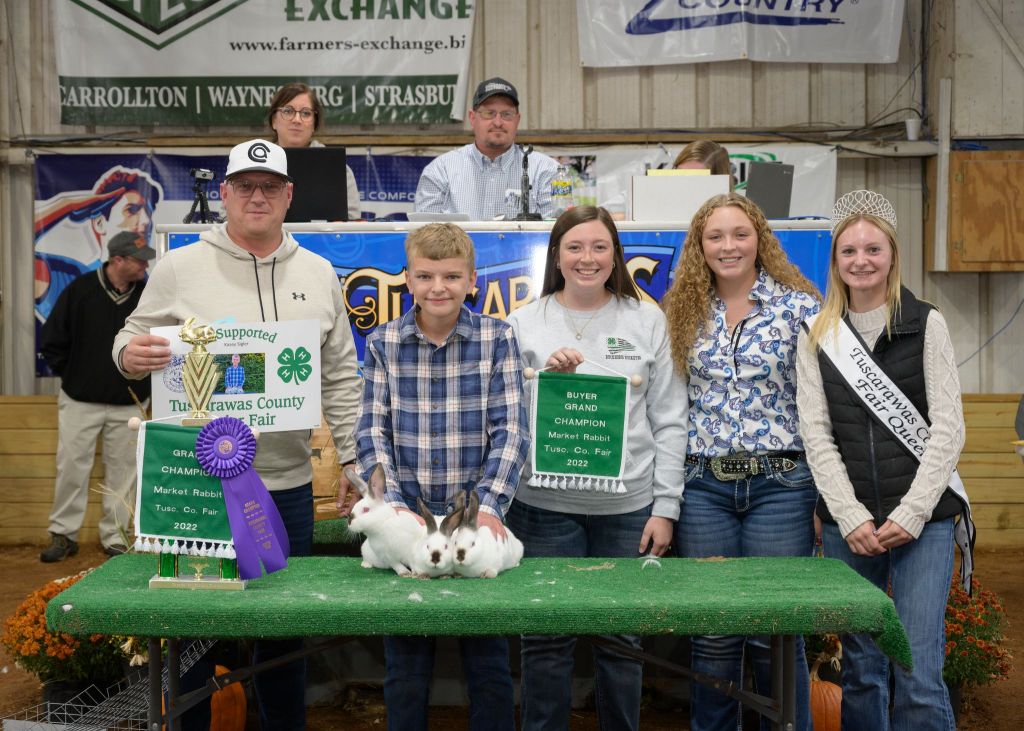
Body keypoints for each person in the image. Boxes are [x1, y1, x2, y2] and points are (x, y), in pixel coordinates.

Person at [113, 139, 362, 731]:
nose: (257, 196)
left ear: (288, 195)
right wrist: (131, 354)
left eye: (269, 186)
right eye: (244, 186)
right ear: (223, 193)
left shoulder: (319, 272)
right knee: (194, 639)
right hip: (193, 489)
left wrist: (353, 461)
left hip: (289, 486)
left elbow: (341, 377)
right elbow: (128, 337)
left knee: (284, 636)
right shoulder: (178, 266)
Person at [505, 206, 687, 731]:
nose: (587, 258)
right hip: (542, 508)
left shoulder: (647, 319)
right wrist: (542, 378)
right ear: (557, 256)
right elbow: (505, 411)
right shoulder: (524, 321)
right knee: (544, 642)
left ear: (615, 255)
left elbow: (671, 419)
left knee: (622, 642)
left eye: (599, 247)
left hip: (629, 510)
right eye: (575, 247)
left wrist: (666, 507)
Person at [346, 223, 528, 731]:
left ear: (472, 280)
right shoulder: (383, 341)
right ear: (408, 279)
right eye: (425, 276)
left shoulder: (497, 337)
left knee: (488, 660)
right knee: (405, 662)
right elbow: (372, 431)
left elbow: (511, 430)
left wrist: (487, 506)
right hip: (410, 518)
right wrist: (395, 507)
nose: (438, 287)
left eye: (451, 276)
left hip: (474, 522)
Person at [797, 189, 966, 729]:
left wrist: (911, 513)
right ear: (835, 260)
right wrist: (848, 516)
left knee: (917, 669)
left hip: (925, 522)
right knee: (862, 669)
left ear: (892, 254)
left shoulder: (926, 323)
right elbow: (816, 436)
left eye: (873, 249)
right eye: (849, 251)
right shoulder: (818, 336)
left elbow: (949, 430)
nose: (861, 261)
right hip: (854, 529)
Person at [661, 192, 820, 731]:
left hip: (783, 486)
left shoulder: (801, 308)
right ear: (699, 246)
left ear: (760, 241)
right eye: (715, 237)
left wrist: (826, 495)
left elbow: (823, 405)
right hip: (703, 488)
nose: (728, 246)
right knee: (714, 634)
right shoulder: (680, 311)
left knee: (774, 630)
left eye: (739, 234)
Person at [38, 230, 154, 562]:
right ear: (118, 260)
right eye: (138, 260)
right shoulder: (80, 290)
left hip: (129, 402)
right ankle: (63, 535)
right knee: (72, 467)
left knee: (124, 473)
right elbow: (52, 342)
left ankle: (116, 537)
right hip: (80, 400)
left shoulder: (147, 296)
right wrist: (77, 376)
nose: (145, 266)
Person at [414, 77, 559, 220]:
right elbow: (424, 235)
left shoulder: (547, 171)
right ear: (472, 118)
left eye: (506, 114)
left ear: (517, 120)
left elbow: (559, 233)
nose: (498, 122)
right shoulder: (440, 171)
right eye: (489, 113)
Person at [34, 166, 163, 322]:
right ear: (100, 223)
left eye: (148, 212)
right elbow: (18, 254)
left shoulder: (149, 290)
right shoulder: (68, 276)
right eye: (132, 210)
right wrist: (66, 204)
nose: (145, 220)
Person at [267, 81, 361, 221]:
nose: (297, 120)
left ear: (314, 125)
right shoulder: (252, 162)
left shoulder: (337, 169)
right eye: (288, 111)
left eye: (305, 113)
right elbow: (228, 217)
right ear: (274, 120)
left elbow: (352, 222)